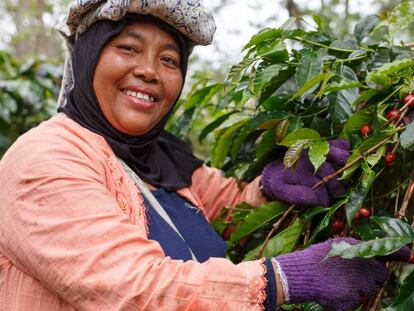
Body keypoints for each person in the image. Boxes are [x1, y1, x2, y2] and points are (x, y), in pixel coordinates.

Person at [0, 1, 410, 310]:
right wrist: (284, 278)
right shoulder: (44, 159)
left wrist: (278, 181)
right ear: (89, 56)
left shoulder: (162, 157)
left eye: (168, 59)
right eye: (127, 48)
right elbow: (134, 288)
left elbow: (228, 207)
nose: (149, 70)